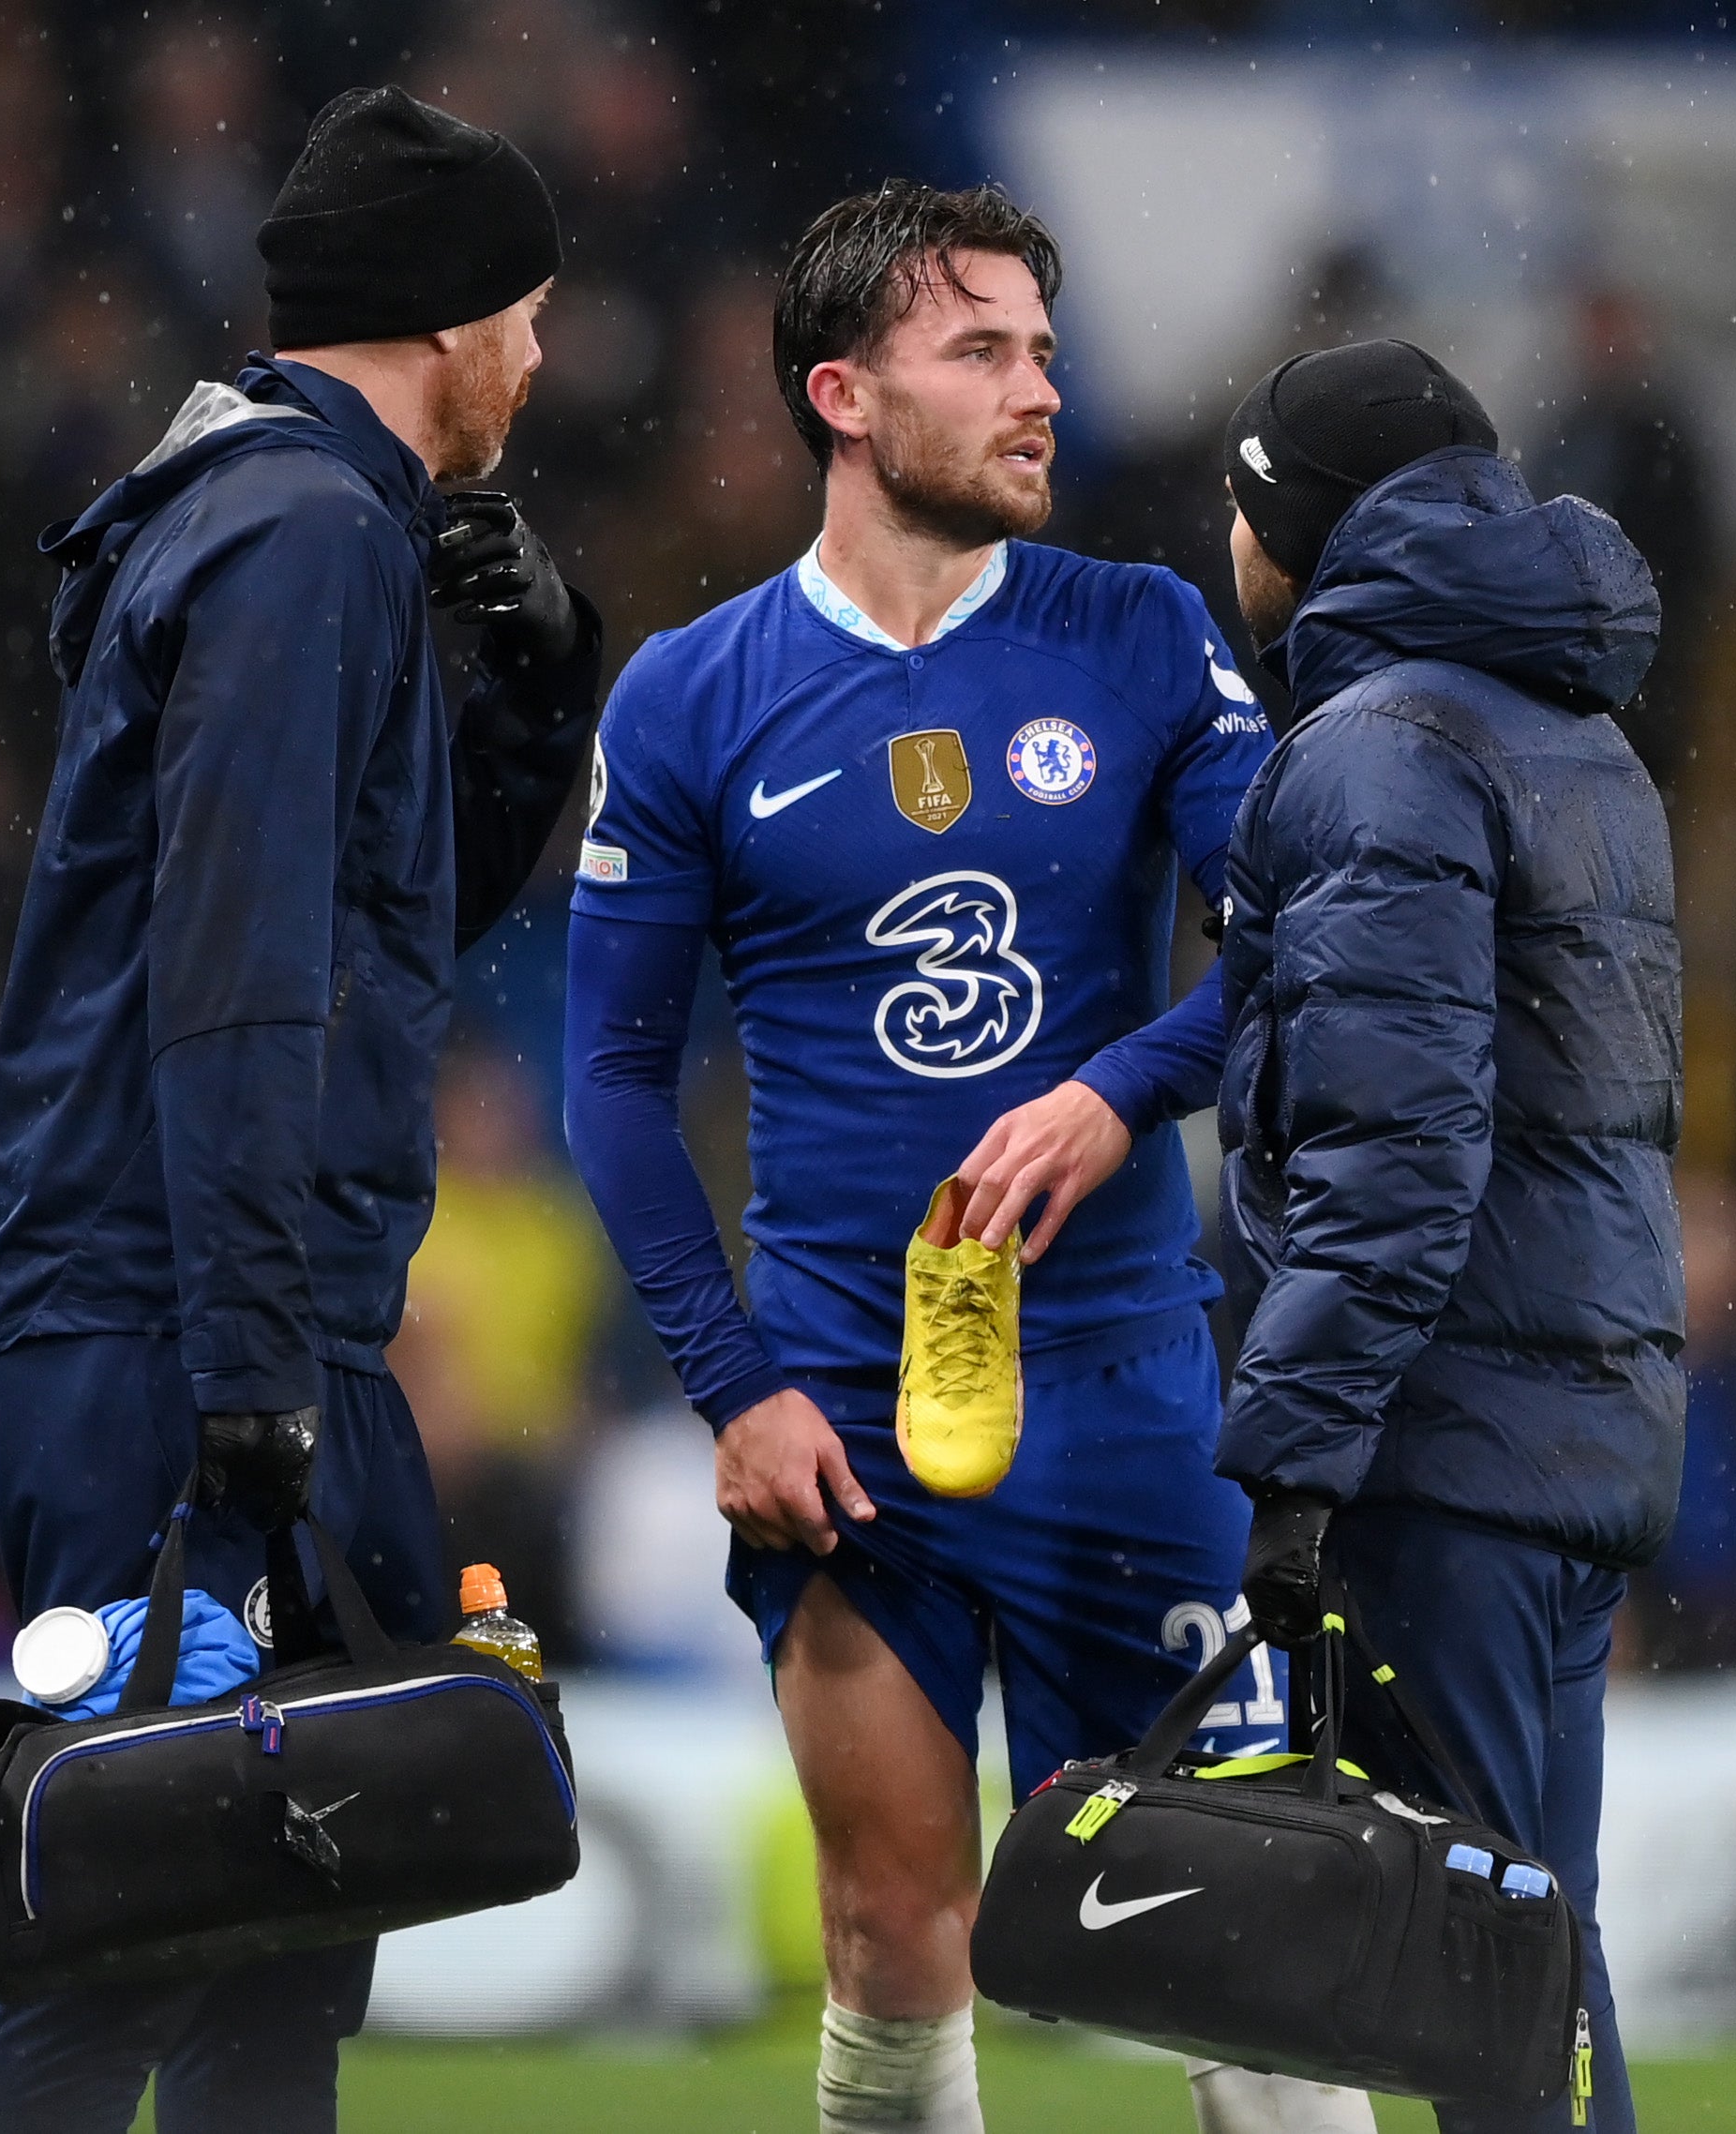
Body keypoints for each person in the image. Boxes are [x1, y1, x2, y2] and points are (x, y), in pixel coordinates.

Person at [562, 182, 1364, 2134]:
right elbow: (610, 1080)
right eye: (982, 351)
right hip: (848, 1406)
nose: (1039, 394)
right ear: (844, 394)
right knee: (889, 1931)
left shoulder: (1139, 633)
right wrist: (732, 1384)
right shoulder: (694, 693)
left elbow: (1306, 922)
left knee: (1232, 1936)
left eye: (1045, 353)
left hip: (1124, 1386)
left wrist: (1122, 1089)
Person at [0, 88, 603, 2134]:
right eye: (526, 313)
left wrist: (530, 693)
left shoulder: (287, 521)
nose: (538, 359)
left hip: (223, 1308)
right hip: (187, 1321)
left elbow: (383, 927)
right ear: (442, 321)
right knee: (125, 1950)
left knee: (276, 1948)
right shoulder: (305, 537)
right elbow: (240, 980)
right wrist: (250, 1373)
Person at [1213, 340, 1683, 2134]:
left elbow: (1396, 1154)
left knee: (1488, 1985)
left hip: (1449, 1440)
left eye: (1242, 505)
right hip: (1575, 1415)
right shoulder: (1574, 727)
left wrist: (1293, 1464)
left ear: (1296, 526)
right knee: (1534, 1953)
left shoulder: (1377, 745)